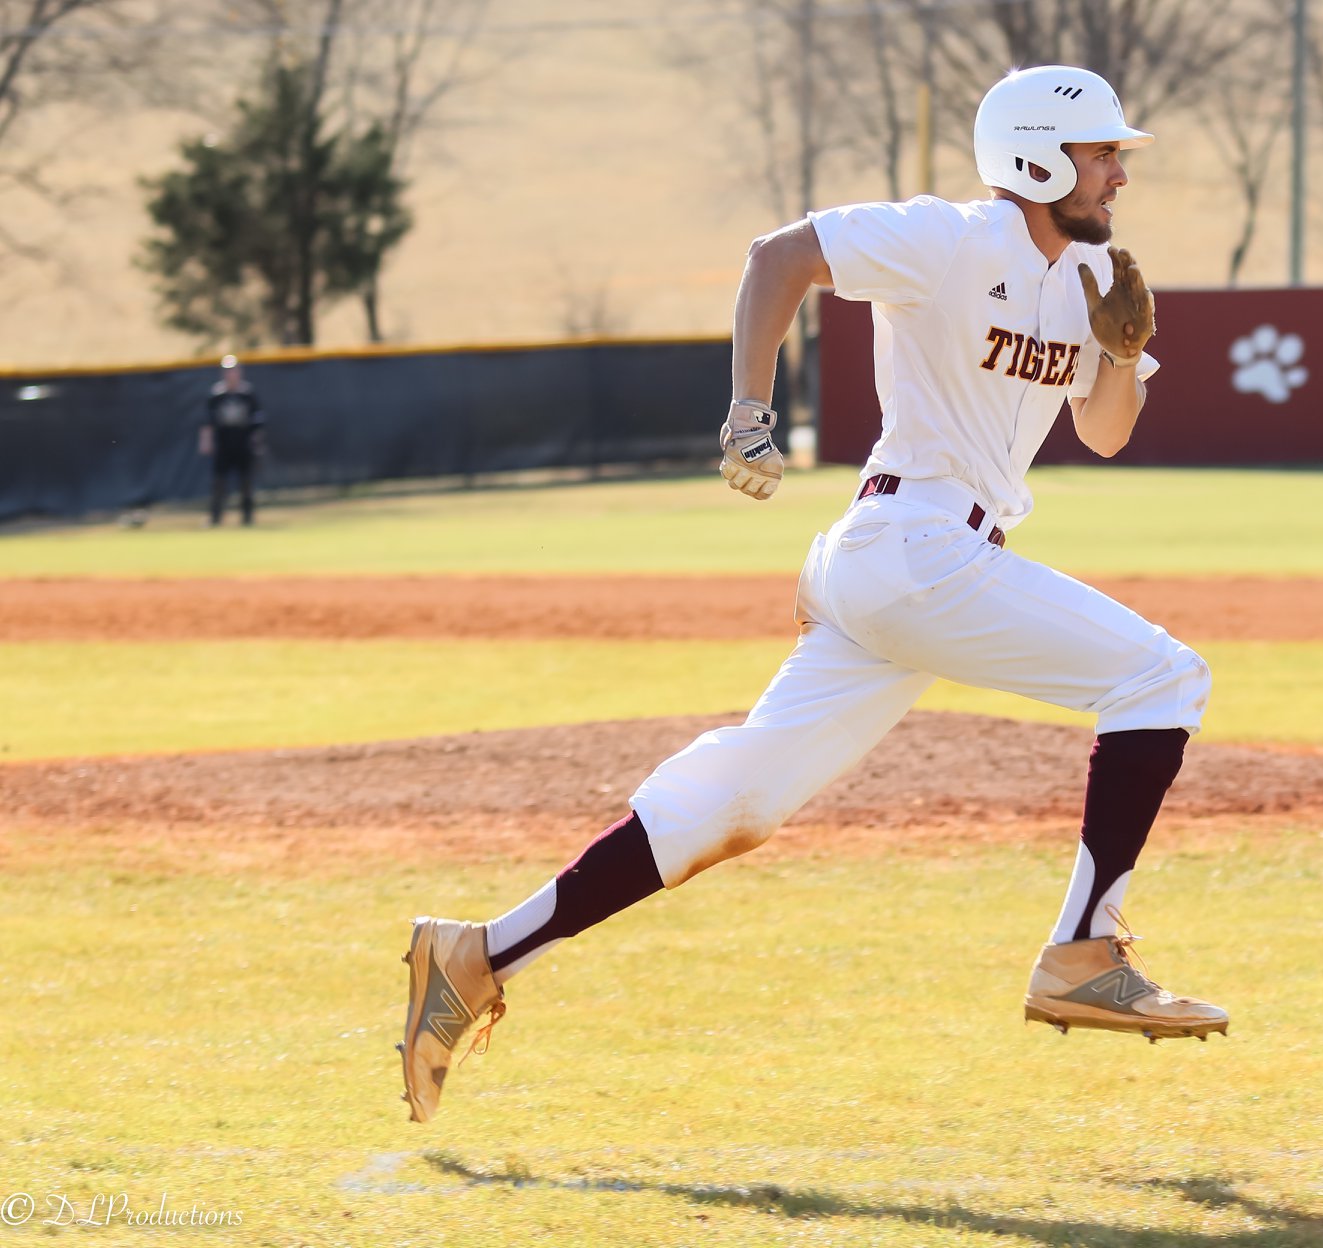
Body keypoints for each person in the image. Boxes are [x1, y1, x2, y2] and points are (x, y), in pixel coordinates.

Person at [398, 64, 1225, 1124]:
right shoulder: (951, 239)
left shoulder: (1089, 282)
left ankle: (475, 952)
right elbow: (778, 257)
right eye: (1106, 152)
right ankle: (1083, 950)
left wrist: (1124, 350)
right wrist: (750, 410)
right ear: (1038, 158)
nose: (1120, 171)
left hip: (899, 573)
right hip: (915, 545)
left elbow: (1105, 432)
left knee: (737, 804)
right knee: (1164, 675)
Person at [199, 355, 265, 526]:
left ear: (239, 372)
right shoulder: (216, 395)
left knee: (246, 483)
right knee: (219, 483)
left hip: (243, 444)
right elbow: (207, 421)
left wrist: (257, 442)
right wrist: (206, 441)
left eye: (234, 370)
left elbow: (257, 422)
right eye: (228, 371)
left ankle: (247, 518)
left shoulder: (247, 393)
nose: (231, 374)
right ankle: (215, 518)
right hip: (224, 444)